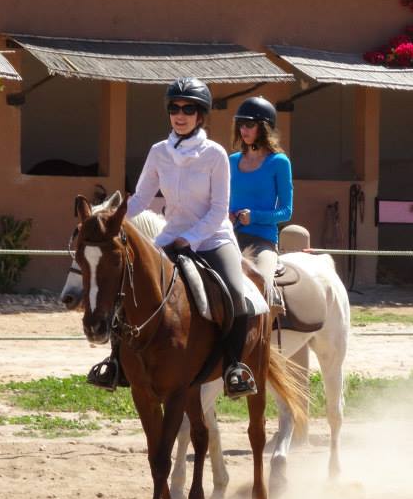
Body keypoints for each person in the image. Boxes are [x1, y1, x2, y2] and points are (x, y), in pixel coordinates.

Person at [87, 77, 256, 398]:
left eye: (188, 109)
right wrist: (109, 218)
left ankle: (234, 368)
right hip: (170, 236)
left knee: (235, 294)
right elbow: (139, 200)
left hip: (213, 238)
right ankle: (116, 363)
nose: (180, 114)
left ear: (201, 115)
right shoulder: (158, 152)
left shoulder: (216, 154)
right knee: (128, 287)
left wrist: (190, 238)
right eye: (175, 108)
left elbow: (220, 210)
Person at [229, 96, 293, 303]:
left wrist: (254, 217)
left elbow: (286, 211)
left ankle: (265, 330)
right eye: (240, 125)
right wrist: (226, 215)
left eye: (249, 125)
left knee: (261, 285)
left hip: (262, 241)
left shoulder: (279, 162)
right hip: (228, 238)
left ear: (264, 127)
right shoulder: (231, 161)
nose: (243, 130)